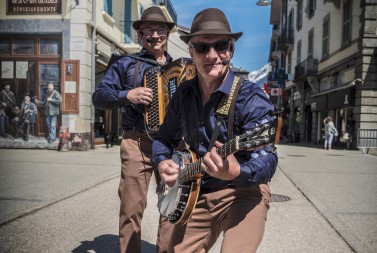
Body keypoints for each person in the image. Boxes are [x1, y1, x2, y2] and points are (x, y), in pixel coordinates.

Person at [152, 8, 278, 252]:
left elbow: (269, 158)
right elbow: (164, 139)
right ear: (191, 52)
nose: (212, 55)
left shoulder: (250, 97)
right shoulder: (184, 94)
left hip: (243, 192)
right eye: (202, 47)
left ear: (231, 50)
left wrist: (237, 171)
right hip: (196, 193)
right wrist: (161, 162)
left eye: (221, 46)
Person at [92, 6, 176, 253]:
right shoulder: (126, 62)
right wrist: (127, 94)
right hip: (137, 142)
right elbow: (99, 96)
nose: (155, 35)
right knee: (131, 207)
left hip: (172, 144)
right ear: (140, 34)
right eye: (148, 30)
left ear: (167, 34)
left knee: (172, 206)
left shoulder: (181, 68)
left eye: (160, 30)